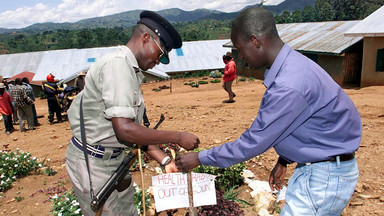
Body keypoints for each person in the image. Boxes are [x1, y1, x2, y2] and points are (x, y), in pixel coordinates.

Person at [176, 7, 361, 216]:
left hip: (323, 176)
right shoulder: (293, 65)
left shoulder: (288, 85)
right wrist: (284, 159)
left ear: (255, 41)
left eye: (240, 48)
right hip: (324, 168)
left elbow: (252, 143)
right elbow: (308, 124)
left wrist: (200, 158)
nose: (241, 57)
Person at [65, 11, 199, 216]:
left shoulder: (131, 70)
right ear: (146, 38)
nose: (159, 61)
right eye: (161, 54)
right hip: (94, 162)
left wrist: (164, 160)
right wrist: (177, 137)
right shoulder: (117, 65)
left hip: (113, 160)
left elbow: (133, 130)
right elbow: (125, 131)